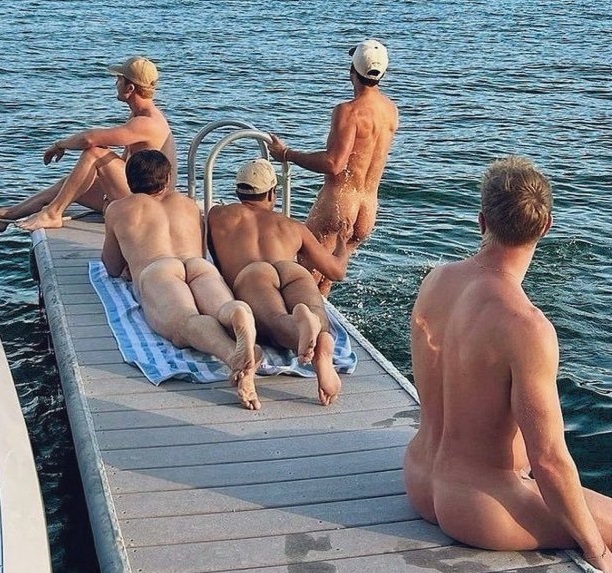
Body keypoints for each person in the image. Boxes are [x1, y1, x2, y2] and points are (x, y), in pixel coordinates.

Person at [403, 156, 612, 572]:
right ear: (546, 226)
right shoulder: (526, 326)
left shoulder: (435, 280)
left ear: (482, 221)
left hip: (419, 477)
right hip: (481, 506)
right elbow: (548, 460)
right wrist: (597, 551)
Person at [101, 150, 261, 411]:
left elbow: (112, 266)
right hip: (197, 265)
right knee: (222, 307)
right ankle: (237, 315)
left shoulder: (118, 208)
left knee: (186, 321)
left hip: (158, 269)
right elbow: (200, 249)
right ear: (167, 179)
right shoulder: (189, 204)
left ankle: (232, 356)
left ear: (129, 181)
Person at [207, 158, 352, 409]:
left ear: (238, 191)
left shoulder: (218, 215)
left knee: (276, 320)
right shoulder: (292, 226)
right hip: (292, 271)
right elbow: (336, 271)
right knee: (316, 311)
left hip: (253, 274)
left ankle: (301, 332)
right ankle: (320, 343)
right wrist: (342, 245)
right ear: (272, 193)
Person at [268, 39, 398, 296]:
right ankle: (320, 316)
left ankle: (301, 319)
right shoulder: (390, 111)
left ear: (352, 71)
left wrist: (287, 154)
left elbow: (334, 163)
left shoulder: (349, 112)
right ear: (383, 74)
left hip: (339, 203)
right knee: (326, 279)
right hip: (367, 208)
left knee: (304, 275)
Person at [0, 56, 177, 232]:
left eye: (119, 79)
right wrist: (106, 192)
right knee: (70, 184)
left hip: (151, 203)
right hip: (136, 191)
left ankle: (53, 214)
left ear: (130, 87)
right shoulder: (138, 116)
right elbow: (125, 164)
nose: (115, 83)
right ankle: (9, 214)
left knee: (94, 153)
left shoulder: (147, 122)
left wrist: (60, 145)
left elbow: (89, 139)